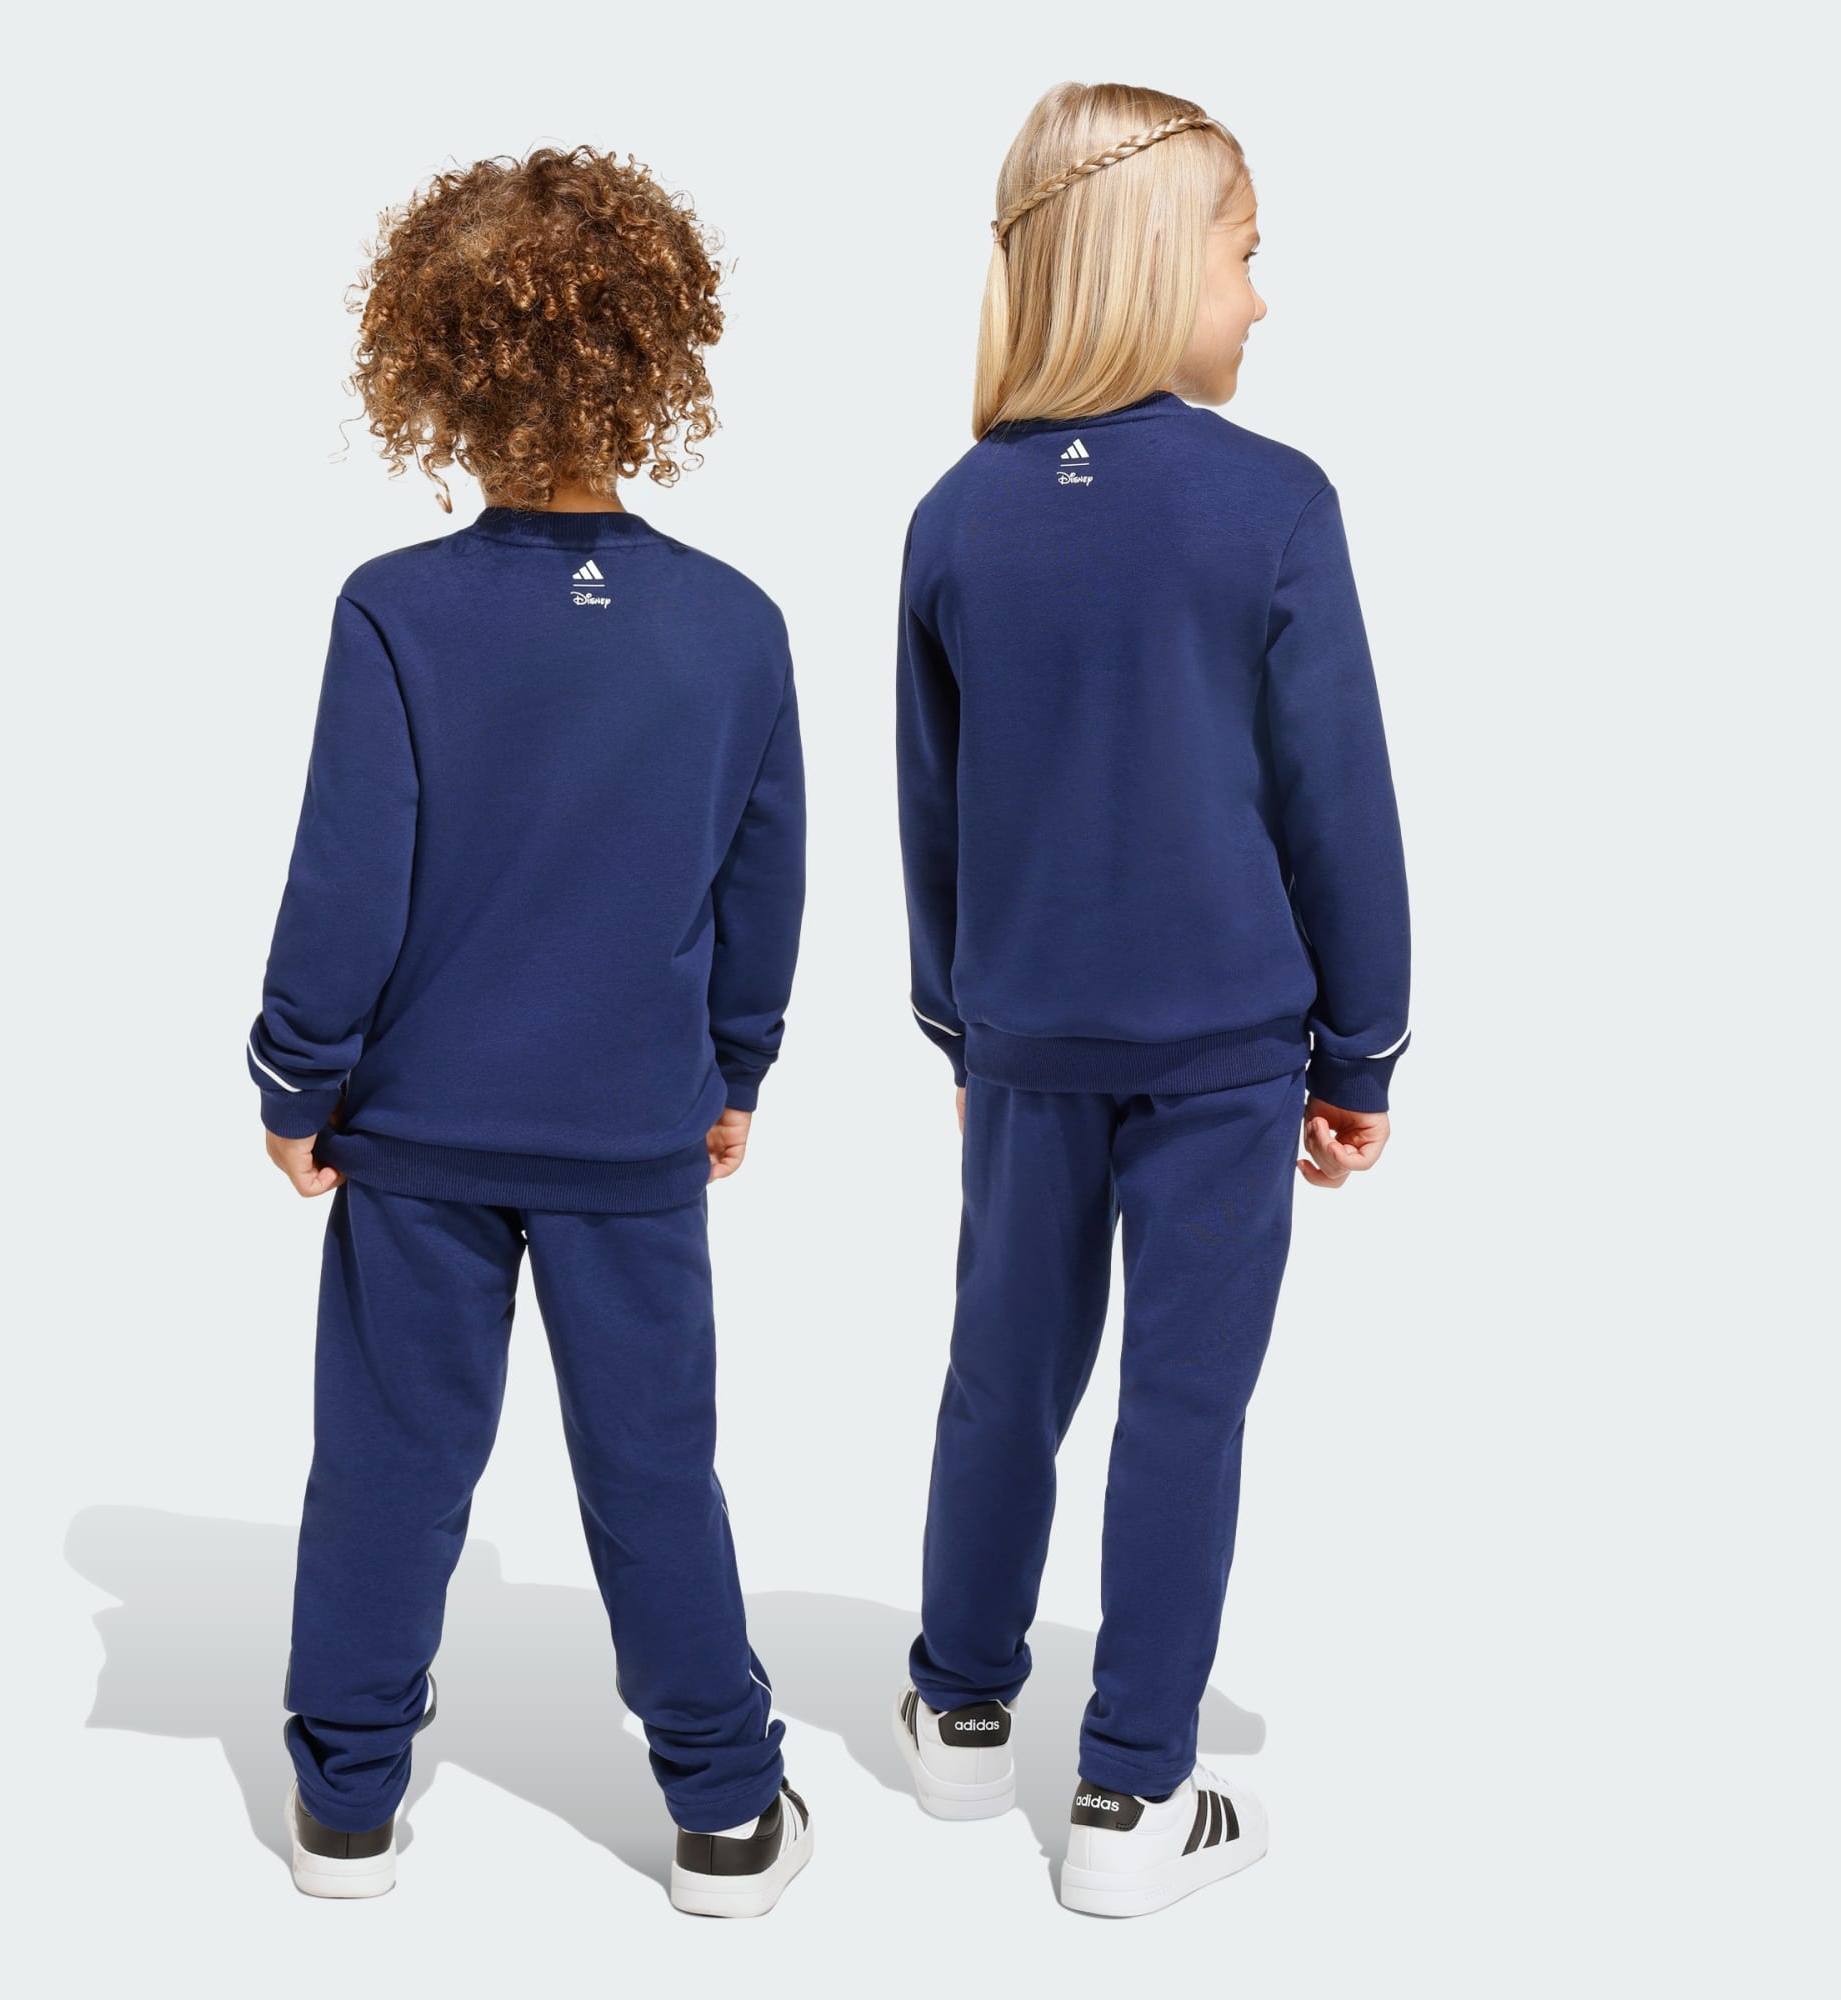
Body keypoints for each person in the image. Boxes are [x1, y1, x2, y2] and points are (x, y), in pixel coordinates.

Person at [247, 147, 812, 1915]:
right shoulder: (735, 626)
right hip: (632, 1134)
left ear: (433, 362)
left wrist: (295, 1075)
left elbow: (350, 875)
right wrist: (735, 1067)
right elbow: (762, 879)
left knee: (389, 1470)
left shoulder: (397, 611)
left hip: (417, 1134)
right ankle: (724, 1813)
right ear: (656, 361)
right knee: (655, 1475)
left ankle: (344, 1809)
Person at [891, 82, 1410, 1918]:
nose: (1263, 296)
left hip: (1025, 1040)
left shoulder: (955, 517)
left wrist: (959, 1025)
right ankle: (1130, 1796)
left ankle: (959, 1715)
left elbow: (932, 812)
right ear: (1155, 259)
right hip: (1221, 1051)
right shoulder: (1272, 504)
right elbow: (1336, 798)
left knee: (1002, 1374)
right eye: (1246, 254)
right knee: (1183, 1407)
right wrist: (1363, 1046)